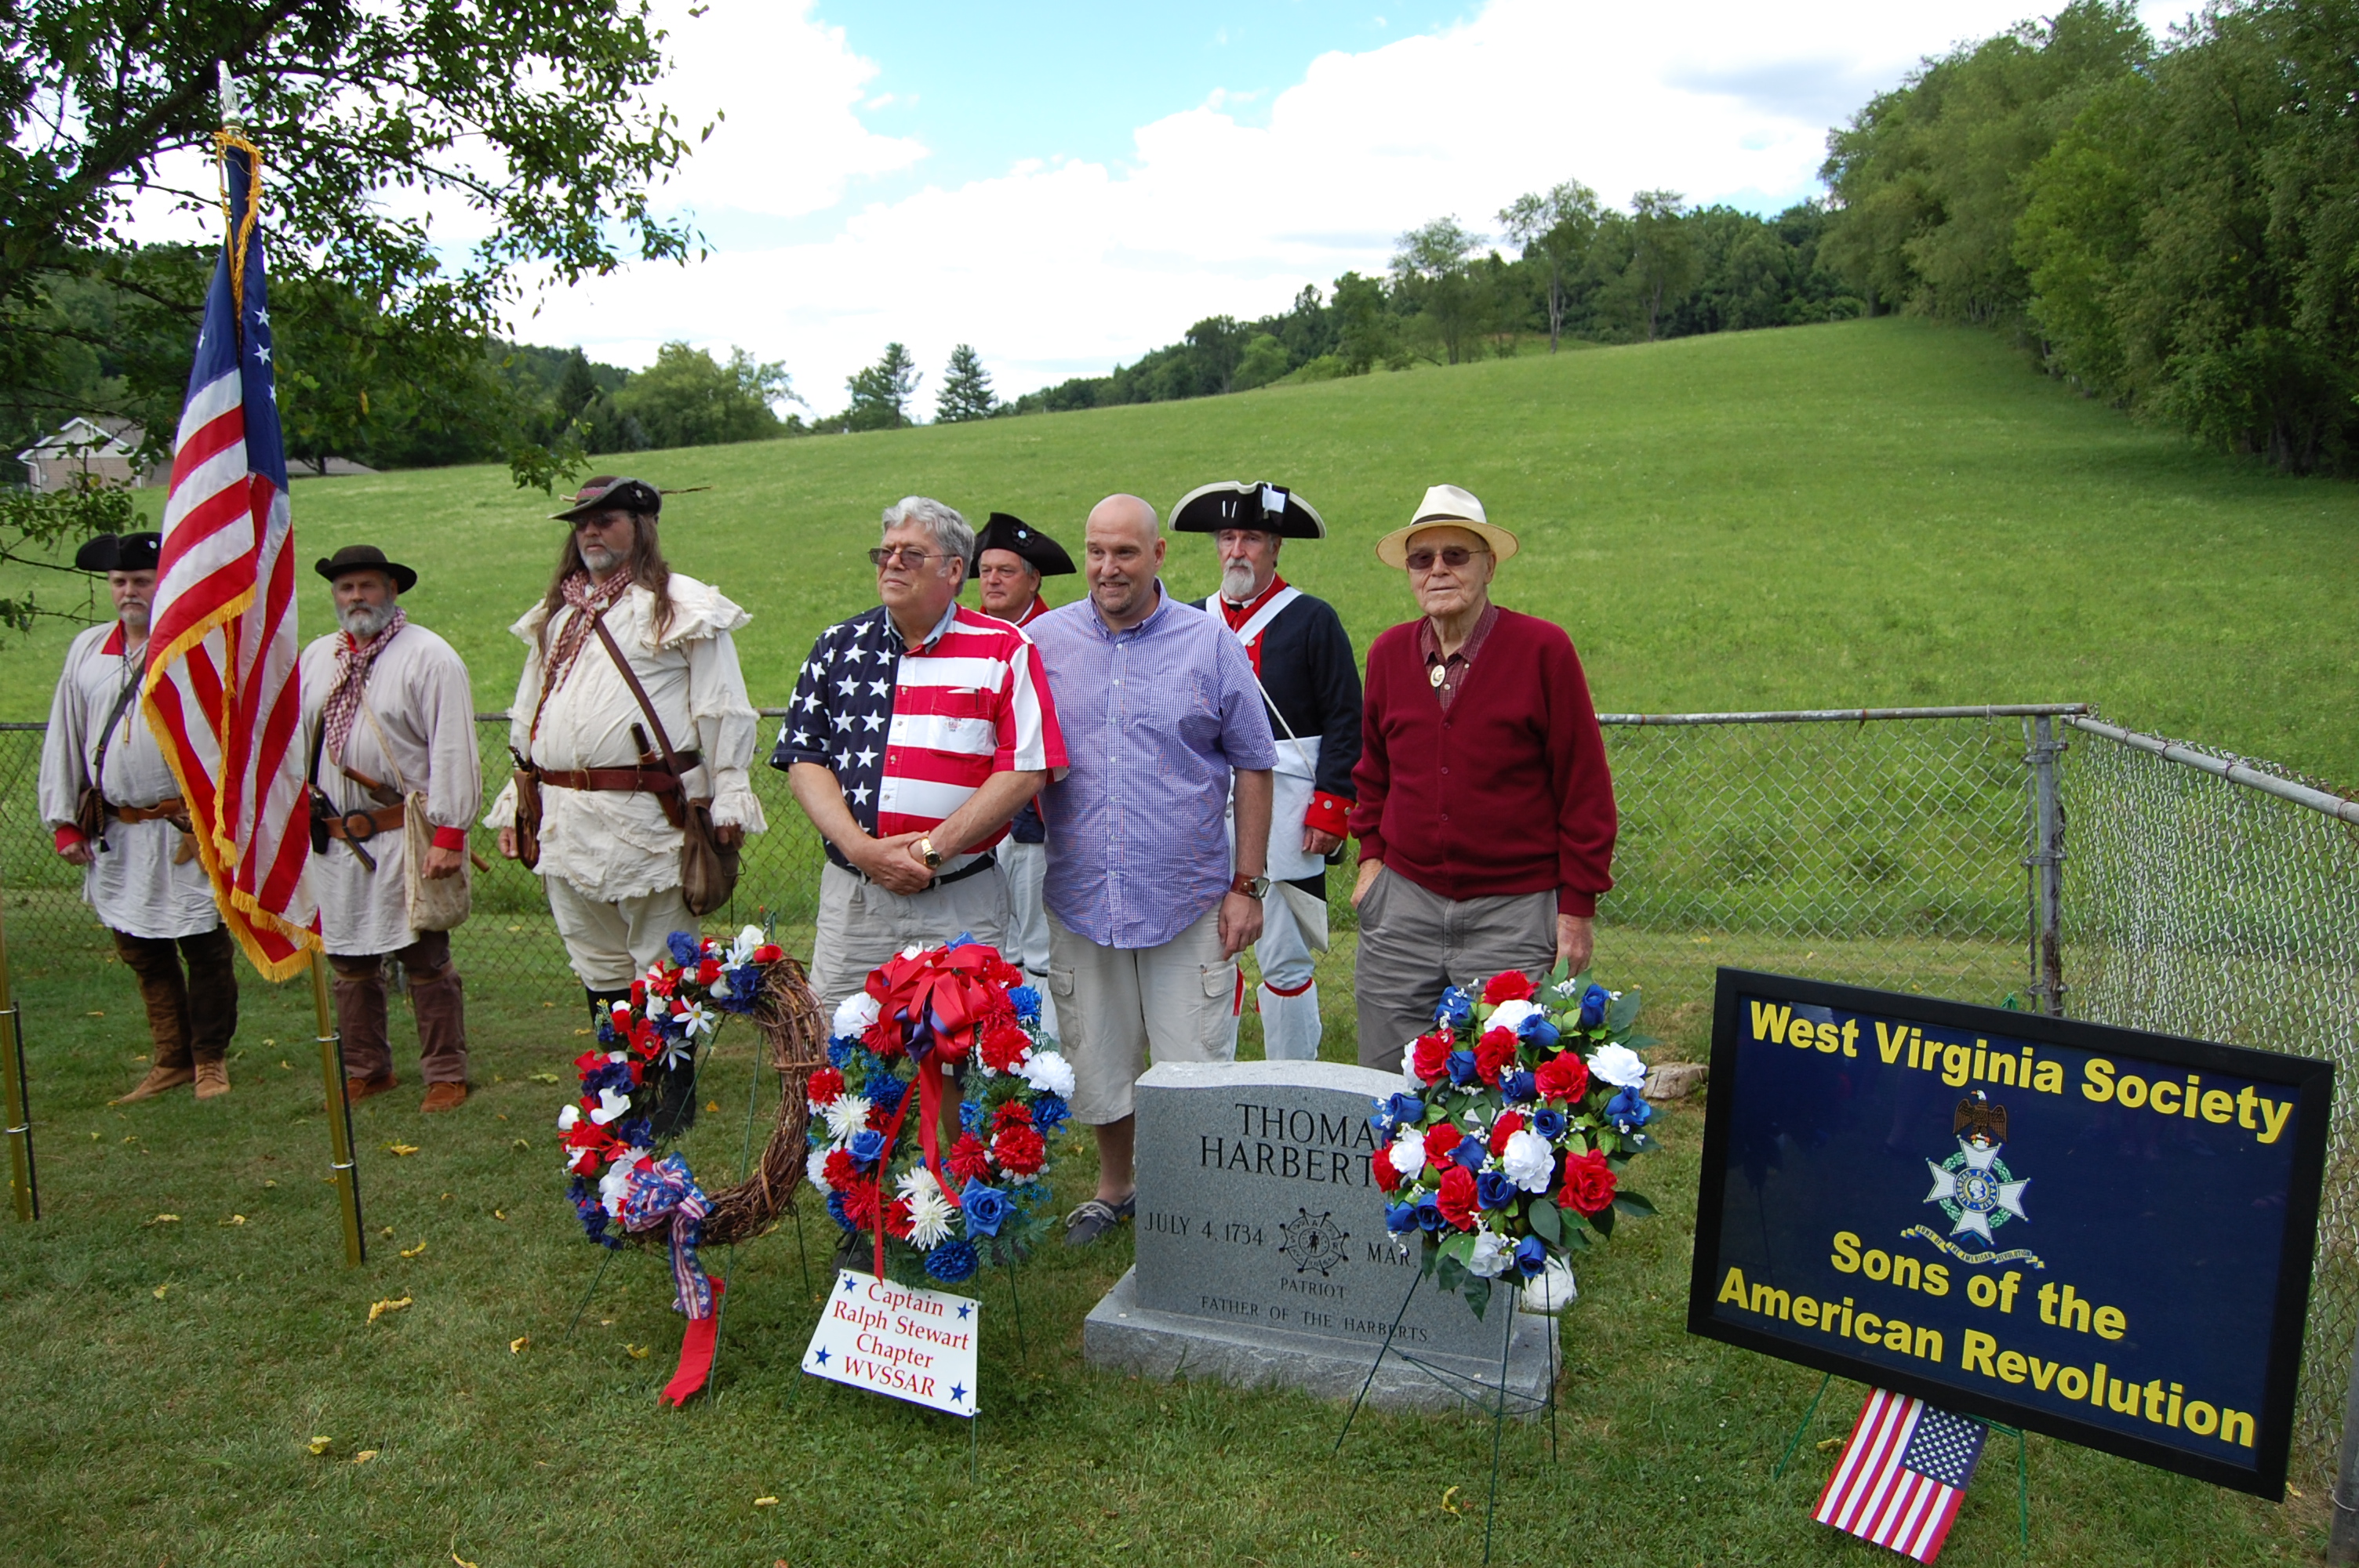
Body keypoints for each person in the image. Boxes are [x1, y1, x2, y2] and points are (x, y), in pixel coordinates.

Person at [1026, 494, 1278, 1246]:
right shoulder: (1043, 641)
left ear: (1159, 555)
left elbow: (1255, 766)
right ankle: (1117, 1189)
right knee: (1097, 1056)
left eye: (1125, 553)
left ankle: (1192, 1206)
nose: (1108, 568)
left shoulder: (1208, 643)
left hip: (1190, 896)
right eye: (1097, 551)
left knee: (1191, 1060)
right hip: (1083, 895)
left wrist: (1247, 886)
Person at [486, 477, 765, 1124]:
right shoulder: (557, 616)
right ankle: (622, 1084)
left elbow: (722, 705)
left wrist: (728, 793)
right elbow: (531, 713)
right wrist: (516, 797)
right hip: (566, 818)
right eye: (581, 523)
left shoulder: (681, 607)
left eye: (605, 520)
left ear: (640, 526)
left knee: (661, 962)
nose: (590, 532)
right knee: (598, 962)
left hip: (650, 817)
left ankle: (675, 1096)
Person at [1348, 484, 1617, 1073]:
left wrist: (1575, 909)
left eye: (1456, 555)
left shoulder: (1543, 650)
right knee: (1385, 1083)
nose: (1438, 570)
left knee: (1505, 1091)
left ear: (1489, 566)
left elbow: (1584, 787)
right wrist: (1371, 863)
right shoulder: (1389, 654)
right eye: (1423, 559)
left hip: (1513, 916)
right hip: (1404, 906)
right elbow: (1373, 772)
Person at [773, 497, 1066, 1017]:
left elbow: (1026, 769)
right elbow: (804, 760)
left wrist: (931, 851)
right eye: (885, 552)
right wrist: (863, 851)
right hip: (856, 900)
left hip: (960, 898)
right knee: (843, 1054)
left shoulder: (1004, 649)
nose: (892, 563)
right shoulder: (837, 648)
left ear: (955, 570)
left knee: (967, 1057)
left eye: (912, 554)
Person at [38, 531, 238, 1102]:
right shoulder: (87, 650)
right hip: (119, 832)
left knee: (204, 947)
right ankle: (170, 1058)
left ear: (162, 584)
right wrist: (66, 822)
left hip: (184, 830)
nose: (130, 592)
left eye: (141, 582)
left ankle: (209, 1060)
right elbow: (65, 737)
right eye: (120, 582)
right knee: (140, 949)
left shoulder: (195, 645)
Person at [1172, 480, 1361, 1061]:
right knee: (1208, 951)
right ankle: (1210, 1078)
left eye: (1251, 537)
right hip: (1205, 805)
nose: (1236, 550)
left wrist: (1332, 805)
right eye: (1227, 537)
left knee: (1284, 954)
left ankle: (1290, 1080)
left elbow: (1345, 717)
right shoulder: (1188, 621)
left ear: (1275, 547)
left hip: (1290, 806)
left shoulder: (1312, 620)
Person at [299, 545, 481, 1112]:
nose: (356, 598)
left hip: (406, 831)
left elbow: (454, 746)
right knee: (349, 961)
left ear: (391, 592)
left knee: (425, 958)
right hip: (334, 836)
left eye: (367, 587)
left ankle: (445, 1074)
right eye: (346, 588)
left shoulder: (430, 657)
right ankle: (368, 1069)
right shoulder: (316, 659)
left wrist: (449, 835)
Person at [966, 511, 1076, 1036]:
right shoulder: (969, 636)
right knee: (994, 937)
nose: (991, 580)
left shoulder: (1058, 638)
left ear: (1033, 579)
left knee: (1036, 942)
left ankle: (1040, 1051)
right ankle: (997, 1044)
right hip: (975, 811)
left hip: (1034, 813)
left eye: (1005, 570)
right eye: (985, 570)